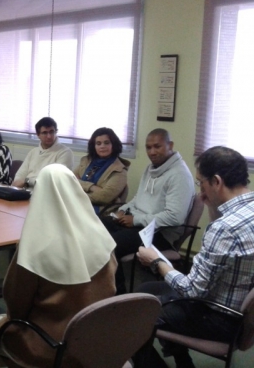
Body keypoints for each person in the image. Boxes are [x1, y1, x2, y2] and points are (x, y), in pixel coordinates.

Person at [0, 164, 116, 368]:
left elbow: (16, 305)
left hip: (50, 347)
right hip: (96, 340)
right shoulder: (102, 236)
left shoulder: (33, 248)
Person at [133, 146, 254, 368]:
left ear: (216, 181)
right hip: (238, 307)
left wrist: (157, 261)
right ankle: (183, 362)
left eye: (201, 183)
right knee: (147, 290)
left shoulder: (224, 228)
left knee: (134, 314)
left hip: (218, 317)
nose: (201, 193)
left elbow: (191, 290)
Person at [102, 128, 195, 294]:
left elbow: (175, 217)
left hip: (159, 234)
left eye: (157, 146)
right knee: (97, 227)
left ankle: (117, 293)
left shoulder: (179, 174)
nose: (152, 152)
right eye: (148, 147)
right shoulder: (151, 168)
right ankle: (94, 285)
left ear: (170, 145)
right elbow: (138, 198)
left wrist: (136, 219)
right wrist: (122, 211)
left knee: (109, 244)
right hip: (139, 224)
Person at [73, 127, 130, 215]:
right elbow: (71, 179)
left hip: (101, 212)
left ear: (113, 145)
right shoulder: (86, 161)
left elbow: (104, 197)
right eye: (98, 143)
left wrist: (76, 194)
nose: (102, 146)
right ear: (94, 146)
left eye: (106, 143)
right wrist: (92, 187)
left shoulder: (120, 170)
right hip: (78, 204)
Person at [12, 117, 74, 188]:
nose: (49, 136)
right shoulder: (33, 152)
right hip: (25, 192)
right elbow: (20, 175)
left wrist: (27, 182)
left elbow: (54, 181)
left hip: (46, 195)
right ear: (38, 135)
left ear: (56, 132)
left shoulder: (65, 152)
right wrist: (18, 183)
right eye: (44, 133)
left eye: (51, 132)